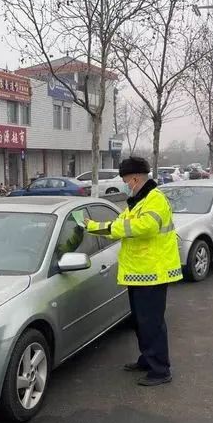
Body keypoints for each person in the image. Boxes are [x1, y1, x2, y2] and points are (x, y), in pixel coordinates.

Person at [85, 156, 183, 386]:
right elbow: (118, 226)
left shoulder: (155, 199)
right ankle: (147, 359)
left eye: (126, 181)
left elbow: (144, 227)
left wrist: (107, 227)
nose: (125, 185)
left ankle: (160, 370)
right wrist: (92, 227)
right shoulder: (138, 202)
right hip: (140, 273)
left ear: (135, 179)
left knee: (152, 324)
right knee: (140, 322)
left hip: (153, 273)